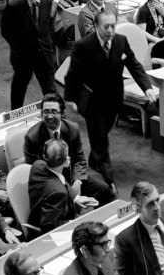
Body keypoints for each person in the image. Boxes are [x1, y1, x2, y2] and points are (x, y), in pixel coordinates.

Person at [65, 11, 157, 184]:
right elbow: (72, 75)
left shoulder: (121, 41)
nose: (110, 30)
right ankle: (108, 181)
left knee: (102, 133)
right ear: (96, 26)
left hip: (114, 99)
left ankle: (94, 159)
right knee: (101, 138)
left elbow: (134, 65)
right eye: (106, 26)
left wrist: (147, 87)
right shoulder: (83, 45)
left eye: (113, 26)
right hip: (92, 101)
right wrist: (70, 99)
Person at [2, 0, 69, 108]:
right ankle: (15, 117)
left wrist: (48, 44)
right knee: (19, 88)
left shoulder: (47, 1)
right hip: (23, 55)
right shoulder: (14, 6)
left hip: (44, 53)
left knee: (50, 89)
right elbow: (6, 31)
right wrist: (18, 47)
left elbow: (48, 26)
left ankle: (59, 116)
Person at [27, 138, 98, 233]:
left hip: (36, 214)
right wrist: (75, 223)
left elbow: (61, 180)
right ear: (66, 162)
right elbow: (48, 226)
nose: (69, 157)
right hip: (48, 232)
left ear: (45, 156)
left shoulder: (38, 165)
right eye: (67, 156)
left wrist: (76, 197)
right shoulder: (58, 193)